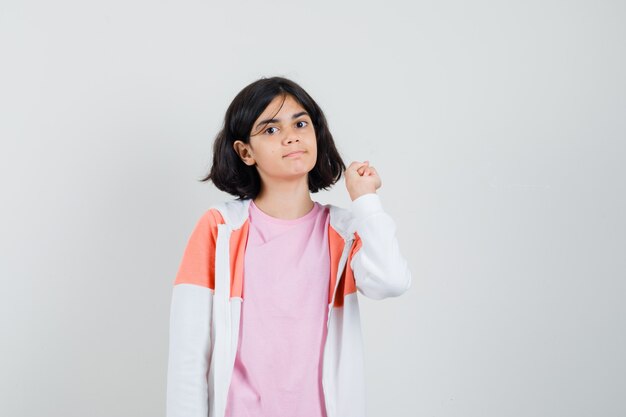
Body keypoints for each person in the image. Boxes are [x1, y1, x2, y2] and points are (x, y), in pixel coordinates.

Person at [166, 76, 412, 417]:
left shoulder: (344, 232)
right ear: (245, 152)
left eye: (300, 123)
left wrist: (366, 201)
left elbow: (391, 281)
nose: (291, 135)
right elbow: (188, 356)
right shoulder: (220, 229)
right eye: (270, 129)